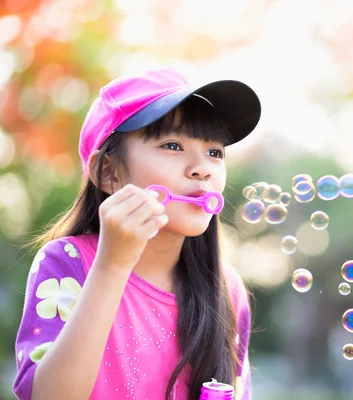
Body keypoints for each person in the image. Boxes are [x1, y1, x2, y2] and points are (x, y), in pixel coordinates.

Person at [12, 68, 261, 400]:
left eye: (215, 152)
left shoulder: (226, 290)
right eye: (173, 145)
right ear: (110, 172)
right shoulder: (68, 263)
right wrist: (112, 267)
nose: (203, 167)